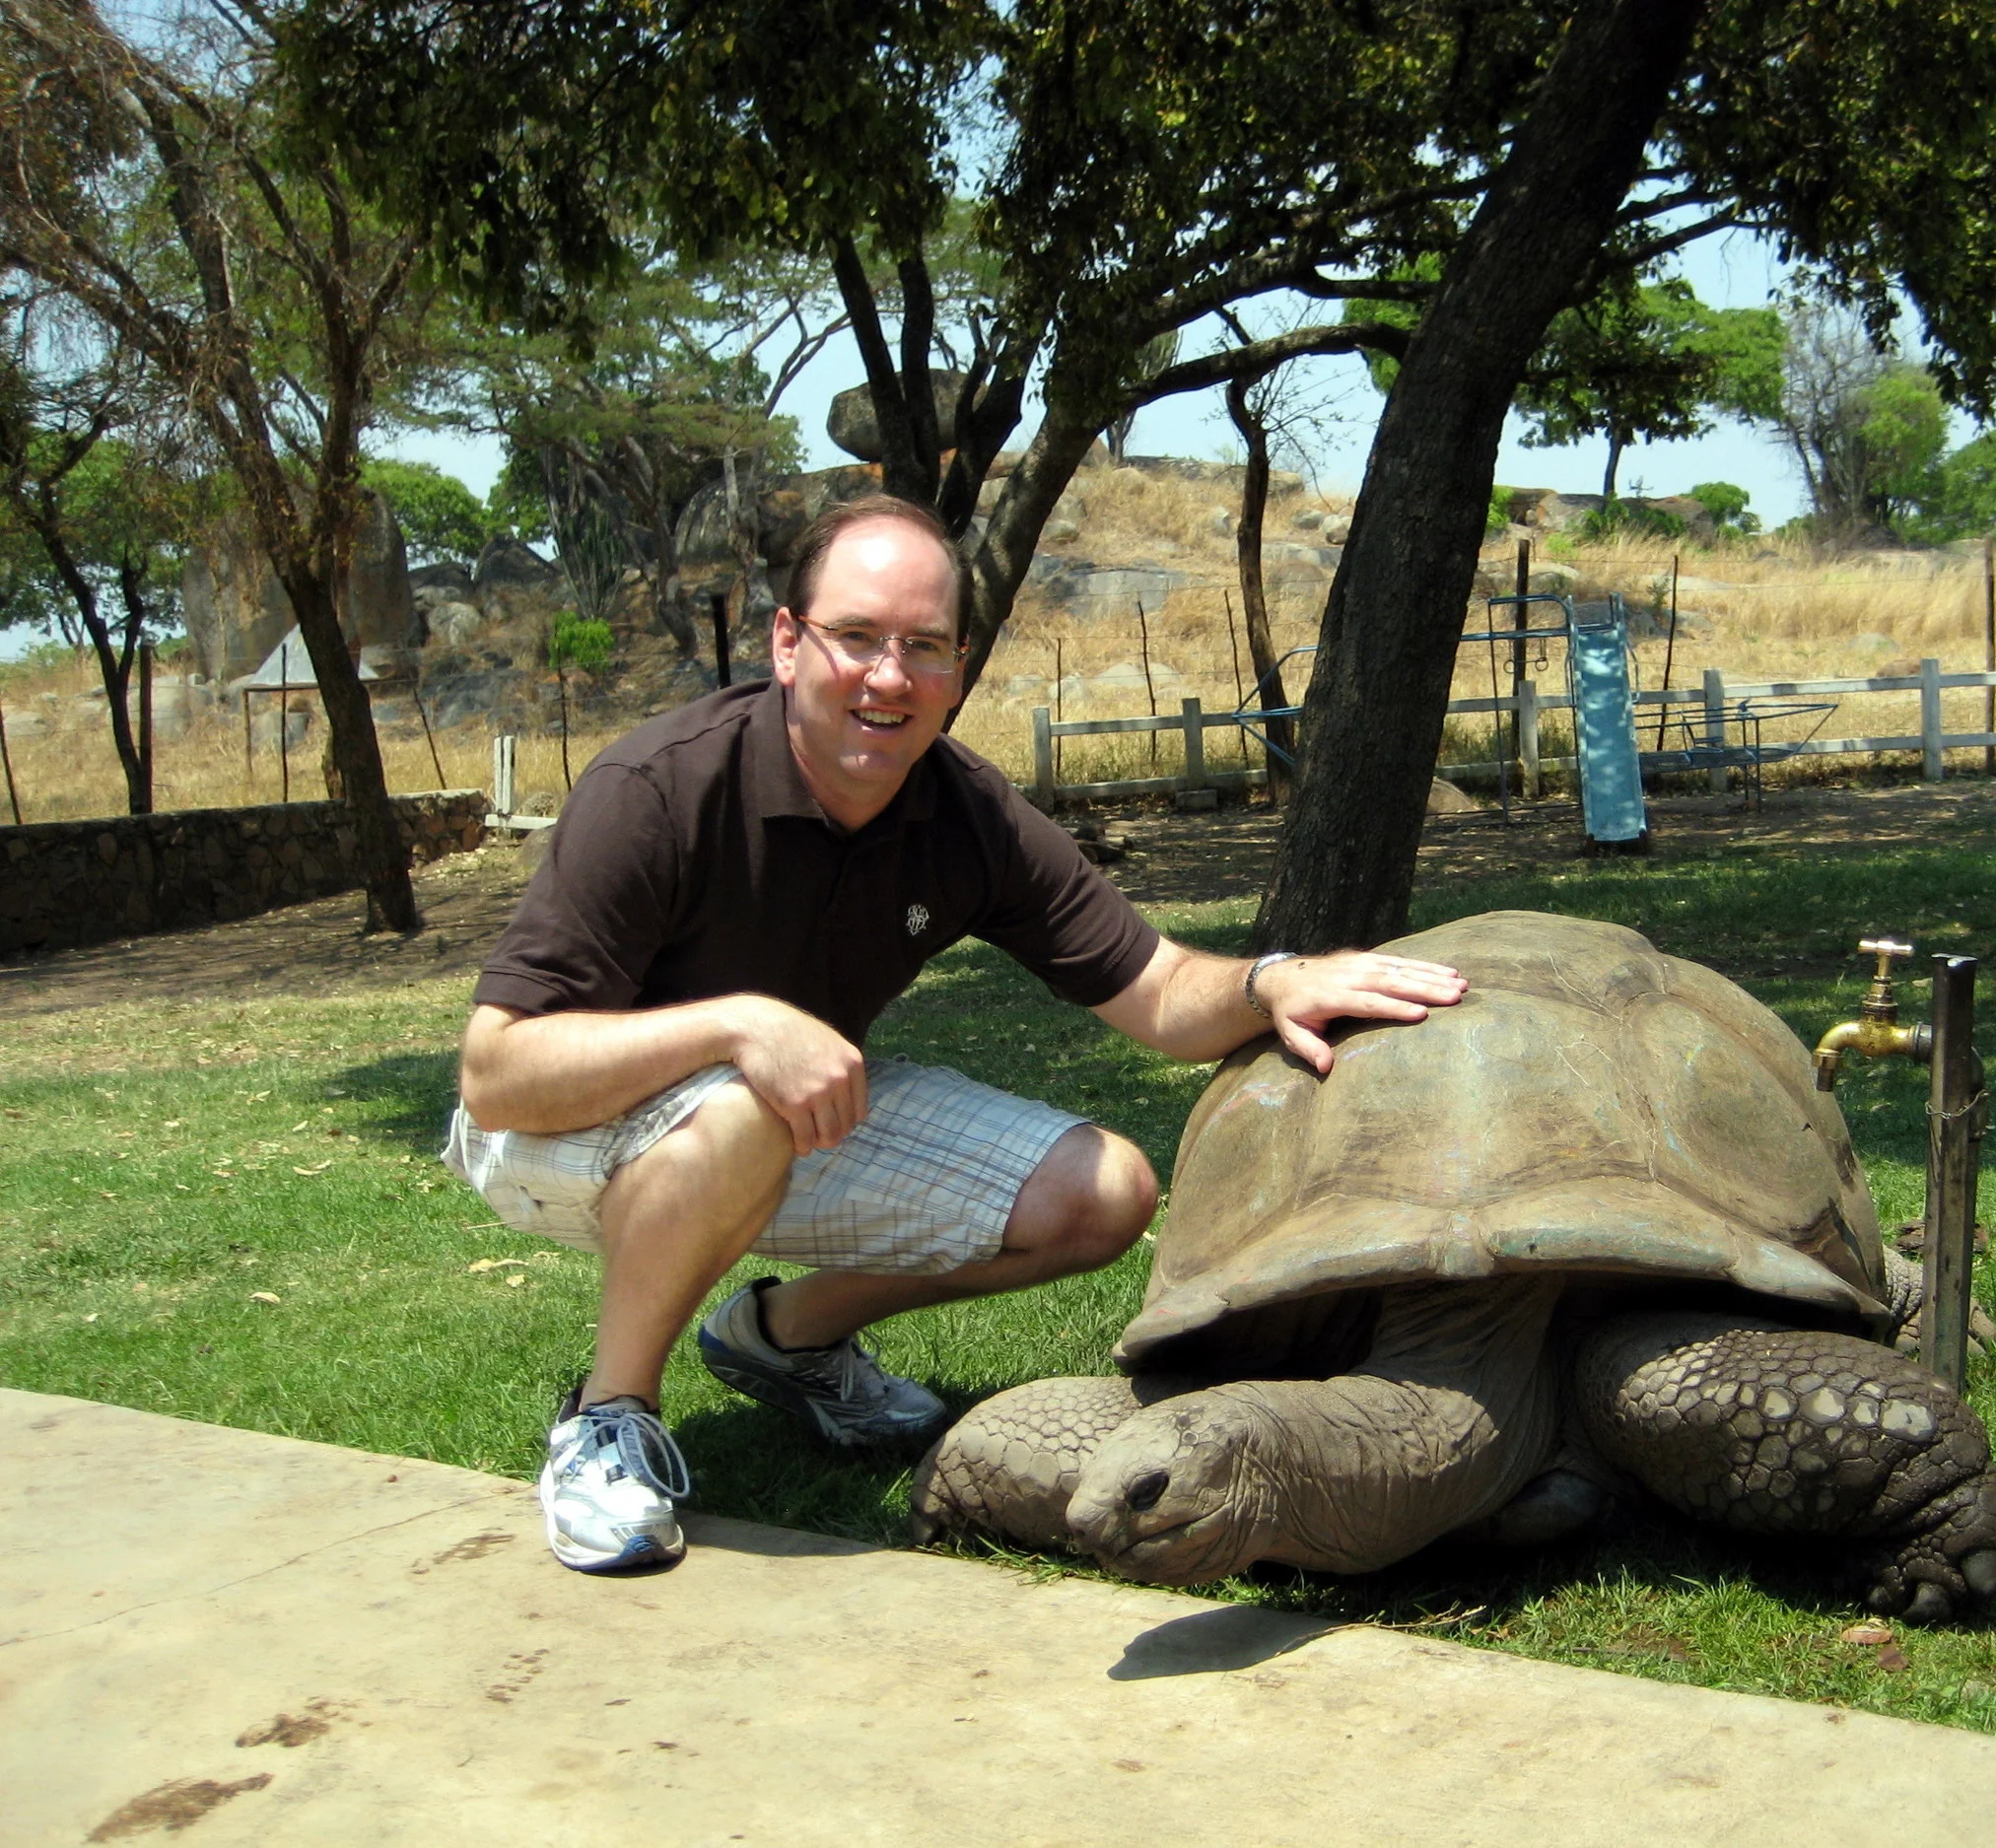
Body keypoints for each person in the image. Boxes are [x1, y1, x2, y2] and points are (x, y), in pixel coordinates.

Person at [443, 495, 1466, 1574]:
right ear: (787, 643)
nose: (889, 677)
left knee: (1103, 1192)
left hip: (769, 1117)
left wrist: (1272, 981)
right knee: (745, 1102)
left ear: (958, 667)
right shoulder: (657, 788)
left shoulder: (966, 813)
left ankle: (783, 1338)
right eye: (855, 636)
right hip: (555, 1128)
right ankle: (608, 1418)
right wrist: (740, 1024)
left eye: (924, 646)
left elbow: (1157, 986)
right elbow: (497, 1074)